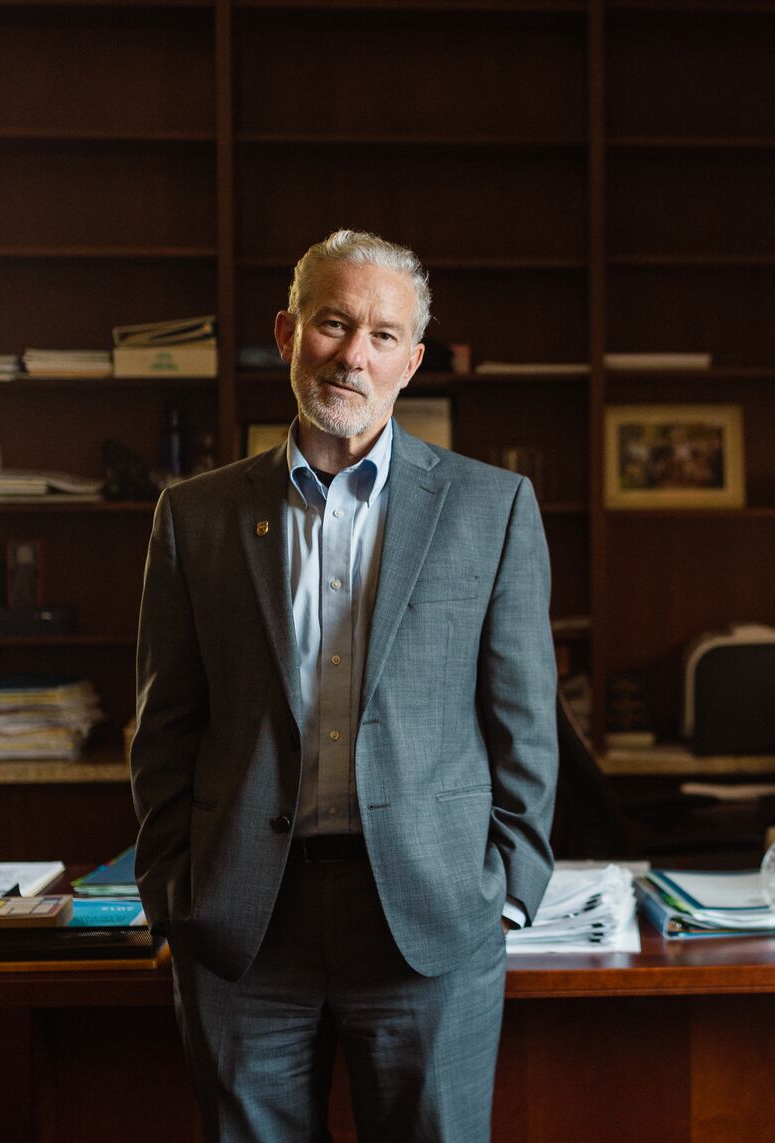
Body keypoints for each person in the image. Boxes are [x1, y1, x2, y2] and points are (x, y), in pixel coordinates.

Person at [130, 228, 558, 1142]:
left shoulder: (492, 509)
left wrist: (509, 890)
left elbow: (524, 722)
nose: (354, 354)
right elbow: (165, 726)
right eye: (333, 323)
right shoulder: (195, 517)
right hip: (244, 924)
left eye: (383, 334)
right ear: (288, 334)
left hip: (431, 921)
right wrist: (172, 889)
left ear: (412, 361)